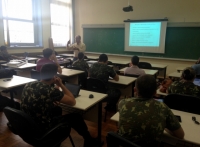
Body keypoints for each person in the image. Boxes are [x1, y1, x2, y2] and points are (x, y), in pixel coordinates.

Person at [21, 63, 100, 147]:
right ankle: (89, 140)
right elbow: (72, 101)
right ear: (54, 76)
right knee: (76, 117)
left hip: (28, 127)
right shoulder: (50, 91)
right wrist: (61, 85)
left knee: (57, 109)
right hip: (43, 129)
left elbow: (38, 99)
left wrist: (49, 102)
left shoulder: (28, 85)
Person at [118, 74, 184, 145]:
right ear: (155, 92)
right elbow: (180, 135)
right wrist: (164, 125)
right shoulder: (163, 107)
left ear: (135, 90)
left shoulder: (123, 103)